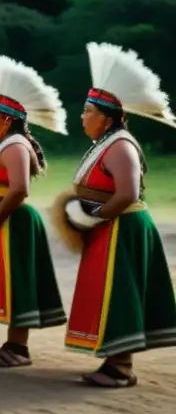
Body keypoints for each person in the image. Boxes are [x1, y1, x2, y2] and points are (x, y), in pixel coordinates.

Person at [52, 42, 176, 388]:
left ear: (107, 117)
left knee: (119, 291)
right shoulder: (107, 143)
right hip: (110, 224)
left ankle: (120, 367)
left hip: (122, 226)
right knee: (109, 291)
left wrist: (95, 216)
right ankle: (115, 360)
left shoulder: (121, 145)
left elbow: (127, 193)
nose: (82, 116)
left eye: (89, 111)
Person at [0, 55, 68, 368]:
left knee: (18, 280)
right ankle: (13, 345)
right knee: (11, 281)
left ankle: (17, 348)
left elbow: (20, 188)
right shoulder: (6, 144)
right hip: (4, 218)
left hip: (13, 219)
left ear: (7, 120)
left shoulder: (16, 145)